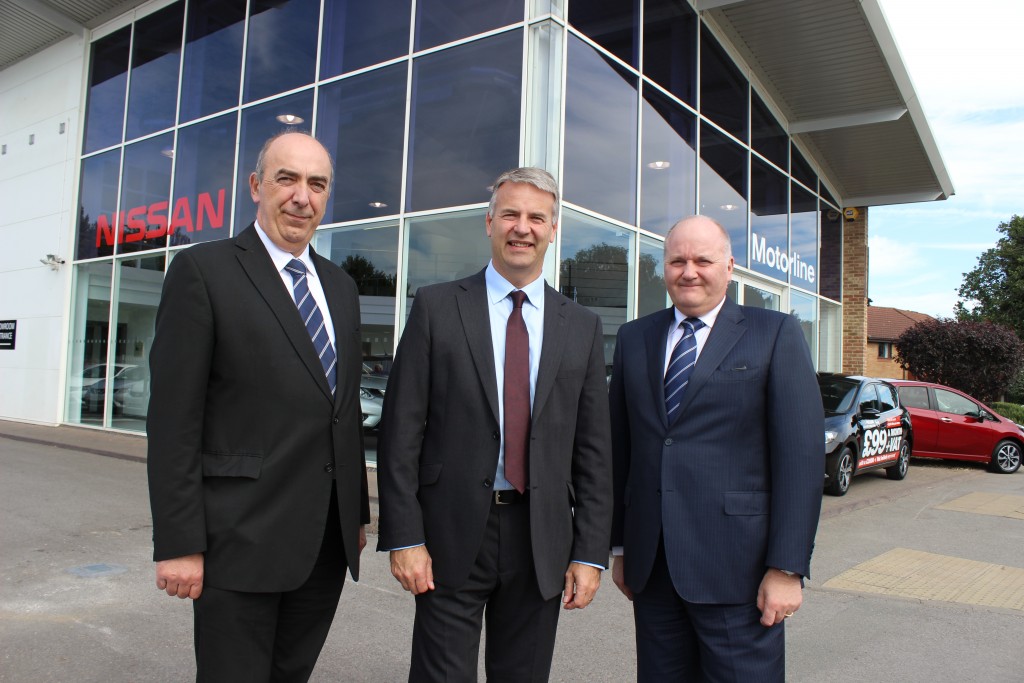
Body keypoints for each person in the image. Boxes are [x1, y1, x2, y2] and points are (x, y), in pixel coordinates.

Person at [146, 131, 370, 682]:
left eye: (317, 184)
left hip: (323, 546)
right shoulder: (204, 271)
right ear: (255, 186)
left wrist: (355, 515)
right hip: (238, 541)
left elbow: (339, 413)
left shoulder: (341, 287)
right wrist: (179, 544)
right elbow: (174, 421)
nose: (302, 197)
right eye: (287, 179)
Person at [376, 167, 613, 682]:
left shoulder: (582, 327)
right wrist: (404, 537)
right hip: (450, 532)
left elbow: (594, 450)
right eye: (510, 214)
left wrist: (591, 552)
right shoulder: (437, 308)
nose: (522, 227)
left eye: (536, 217)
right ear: (489, 223)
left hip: (541, 536)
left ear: (553, 231)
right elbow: (400, 434)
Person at [608, 215, 823, 682]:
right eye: (677, 261)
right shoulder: (634, 338)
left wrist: (786, 568)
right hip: (654, 568)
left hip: (739, 571)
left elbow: (801, 460)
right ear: (662, 268)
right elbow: (622, 451)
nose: (689, 271)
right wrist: (621, 546)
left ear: (729, 266)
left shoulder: (775, 333)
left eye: (702, 260)